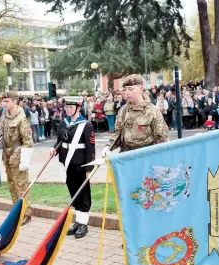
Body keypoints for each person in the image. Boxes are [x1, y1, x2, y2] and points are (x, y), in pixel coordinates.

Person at [0, 92, 34, 225]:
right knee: (12, 185)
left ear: (15, 101)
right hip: (7, 156)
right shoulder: (4, 116)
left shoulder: (21, 117)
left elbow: (27, 140)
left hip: (18, 155)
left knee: (21, 186)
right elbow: (1, 134)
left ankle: (26, 213)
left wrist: (25, 160)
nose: (4, 104)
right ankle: (16, 212)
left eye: (7, 101)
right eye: (3, 102)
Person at [50, 100, 95, 239]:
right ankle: (78, 221)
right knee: (73, 192)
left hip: (80, 164)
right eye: (66, 107)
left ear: (78, 108)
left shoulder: (86, 125)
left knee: (83, 193)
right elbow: (59, 140)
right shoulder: (64, 122)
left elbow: (90, 148)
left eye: (70, 107)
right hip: (67, 163)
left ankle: (83, 224)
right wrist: (54, 148)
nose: (68, 109)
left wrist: (89, 168)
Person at [102, 74, 169, 156]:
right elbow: (118, 133)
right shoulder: (123, 110)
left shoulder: (153, 111)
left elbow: (162, 139)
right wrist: (108, 147)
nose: (127, 93)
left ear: (141, 89)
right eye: (125, 89)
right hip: (126, 157)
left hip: (145, 157)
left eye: (130, 89)